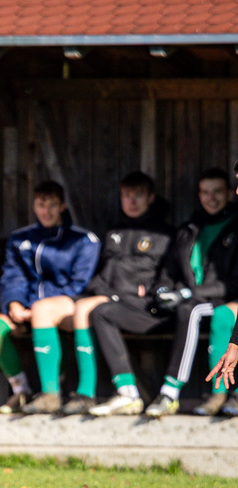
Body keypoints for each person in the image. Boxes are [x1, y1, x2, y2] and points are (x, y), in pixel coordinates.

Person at [90, 167, 238, 416]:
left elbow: (231, 282)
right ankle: (127, 392)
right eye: (205, 192)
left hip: (216, 301)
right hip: (178, 306)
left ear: (228, 194)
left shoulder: (235, 226)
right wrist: (162, 290)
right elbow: (169, 271)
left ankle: (170, 393)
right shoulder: (189, 230)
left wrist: (188, 294)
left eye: (217, 192)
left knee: (190, 309)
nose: (211, 198)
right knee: (102, 312)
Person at [55, 172, 174, 415]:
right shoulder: (114, 231)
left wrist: (149, 292)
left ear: (151, 197)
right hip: (108, 295)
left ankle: (86, 393)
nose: (132, 201)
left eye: (138, 195)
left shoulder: (165, 234)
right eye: (126, 195)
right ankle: (45, 393)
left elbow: (167, 278)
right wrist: (101, 290)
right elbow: (104, 274)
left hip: (143, 306)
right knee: (44, 309)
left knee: (87, 309)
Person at [0, 181, 101, 414]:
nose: (46, 211)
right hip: (27, 307)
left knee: (46, 312)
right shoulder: (19, 239)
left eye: (52, 205)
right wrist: (14, 303)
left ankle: (52, 392)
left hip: (65, 306)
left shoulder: (84, 240)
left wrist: (37, 308)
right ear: (34, 206)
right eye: (41, 205)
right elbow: (13, 276)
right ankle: (21, 391)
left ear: (62, 206)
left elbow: (79, 283)